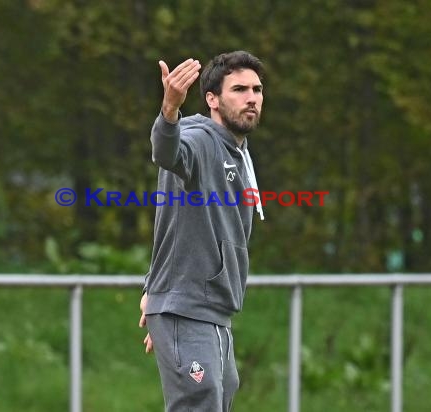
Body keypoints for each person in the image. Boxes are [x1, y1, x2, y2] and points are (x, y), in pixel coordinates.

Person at [138, 50, 265, 412]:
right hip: (187, 307)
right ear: (212, 99)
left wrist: (159, 297)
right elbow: (168, 152)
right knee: (200, 402)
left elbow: (180, 227)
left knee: (218, 399)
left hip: (211, 312)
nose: (251, 98)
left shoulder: (240, 155)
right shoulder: (198, 140)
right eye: (239, 89)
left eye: (256, 89)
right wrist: (169, 111)